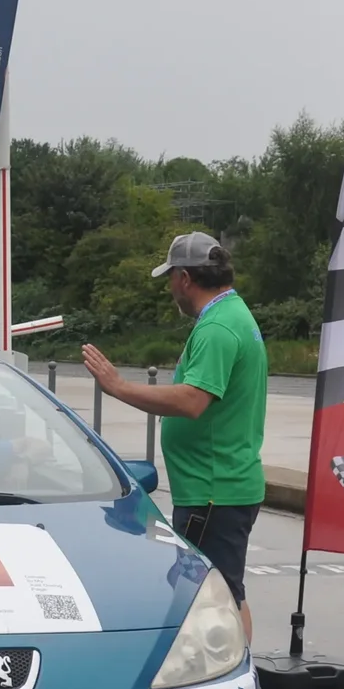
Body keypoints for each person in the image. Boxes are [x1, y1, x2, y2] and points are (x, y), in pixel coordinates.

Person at [80, 231, 267, 642]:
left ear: (185, 278)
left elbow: (192, 400)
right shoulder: (230, 316)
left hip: (213, 491)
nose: (170, 290)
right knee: (223, 590)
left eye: (170, 279)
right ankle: (235, 669)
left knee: (213, 596)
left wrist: (118, 387)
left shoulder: (219, 327)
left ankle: (227, 678)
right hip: (218, 486)